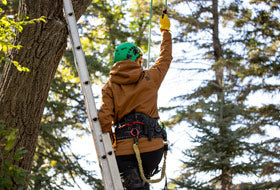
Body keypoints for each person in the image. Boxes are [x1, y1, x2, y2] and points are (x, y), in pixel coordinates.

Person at [98, 10, 172, 190]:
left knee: (131, 180)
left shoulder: (109, 86)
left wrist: (112, 141)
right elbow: (165, 57)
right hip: (152, 146)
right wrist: (165, 31)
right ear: (138, 59)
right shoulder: (150, 77)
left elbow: (104, 119)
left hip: (124, 150)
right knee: (142, 180)